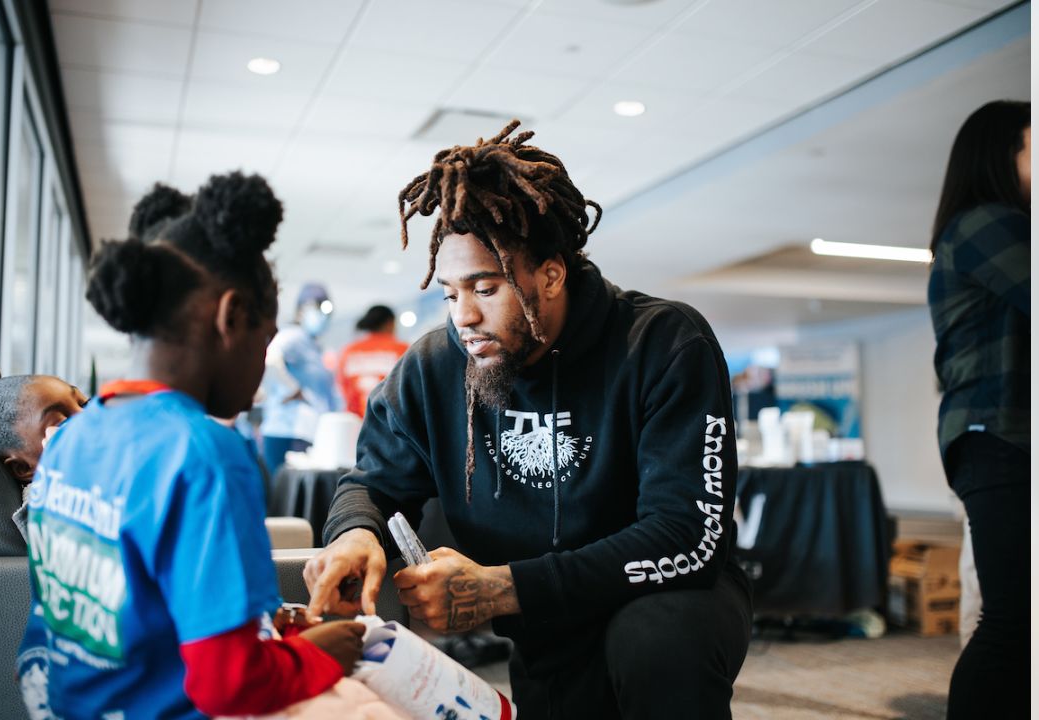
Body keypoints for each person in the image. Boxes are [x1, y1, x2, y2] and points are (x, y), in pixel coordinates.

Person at [304, 120, 752, 718]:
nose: (463, 315)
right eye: (448, 293)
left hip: (666, 599)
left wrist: (506, 587)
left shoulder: (664, 343)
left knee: (654, 640)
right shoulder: (433, 368)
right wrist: (357, 532)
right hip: (546, 623)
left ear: (551, 273)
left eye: (486, 288)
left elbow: (685, 534)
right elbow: (371, 484)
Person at [17, 171, 364, 719]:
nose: (260, 374)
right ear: (230, 317)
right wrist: (321, 655)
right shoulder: (206, 453)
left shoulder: (69, 437)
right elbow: (229, 685)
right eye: (265, 340)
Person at [927, 100, 1030, 719]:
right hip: (1001, 435)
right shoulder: (984, 222)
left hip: (1007, 437)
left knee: (1026, 621)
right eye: (1036, 146)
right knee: (1014, 623)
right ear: (998, 154)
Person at [0, 363, 87, 556]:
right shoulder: (46, 500)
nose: (89, 417)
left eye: (86, 404)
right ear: (23, 467)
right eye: (64, 424)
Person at [259, 282, 344, 472]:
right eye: (317, 308)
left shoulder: (312, 345)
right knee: (286, 497)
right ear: (300, 310)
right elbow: (270, 360)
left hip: (306, 431)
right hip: (287, 431)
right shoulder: (292, 336)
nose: (323, 317)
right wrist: (292, 389)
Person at [336, 305, 409, 418]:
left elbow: (343, 388)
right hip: (390, 423)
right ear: (390, 323)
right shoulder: (402, 349)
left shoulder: (349, 351)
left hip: (356, 423)